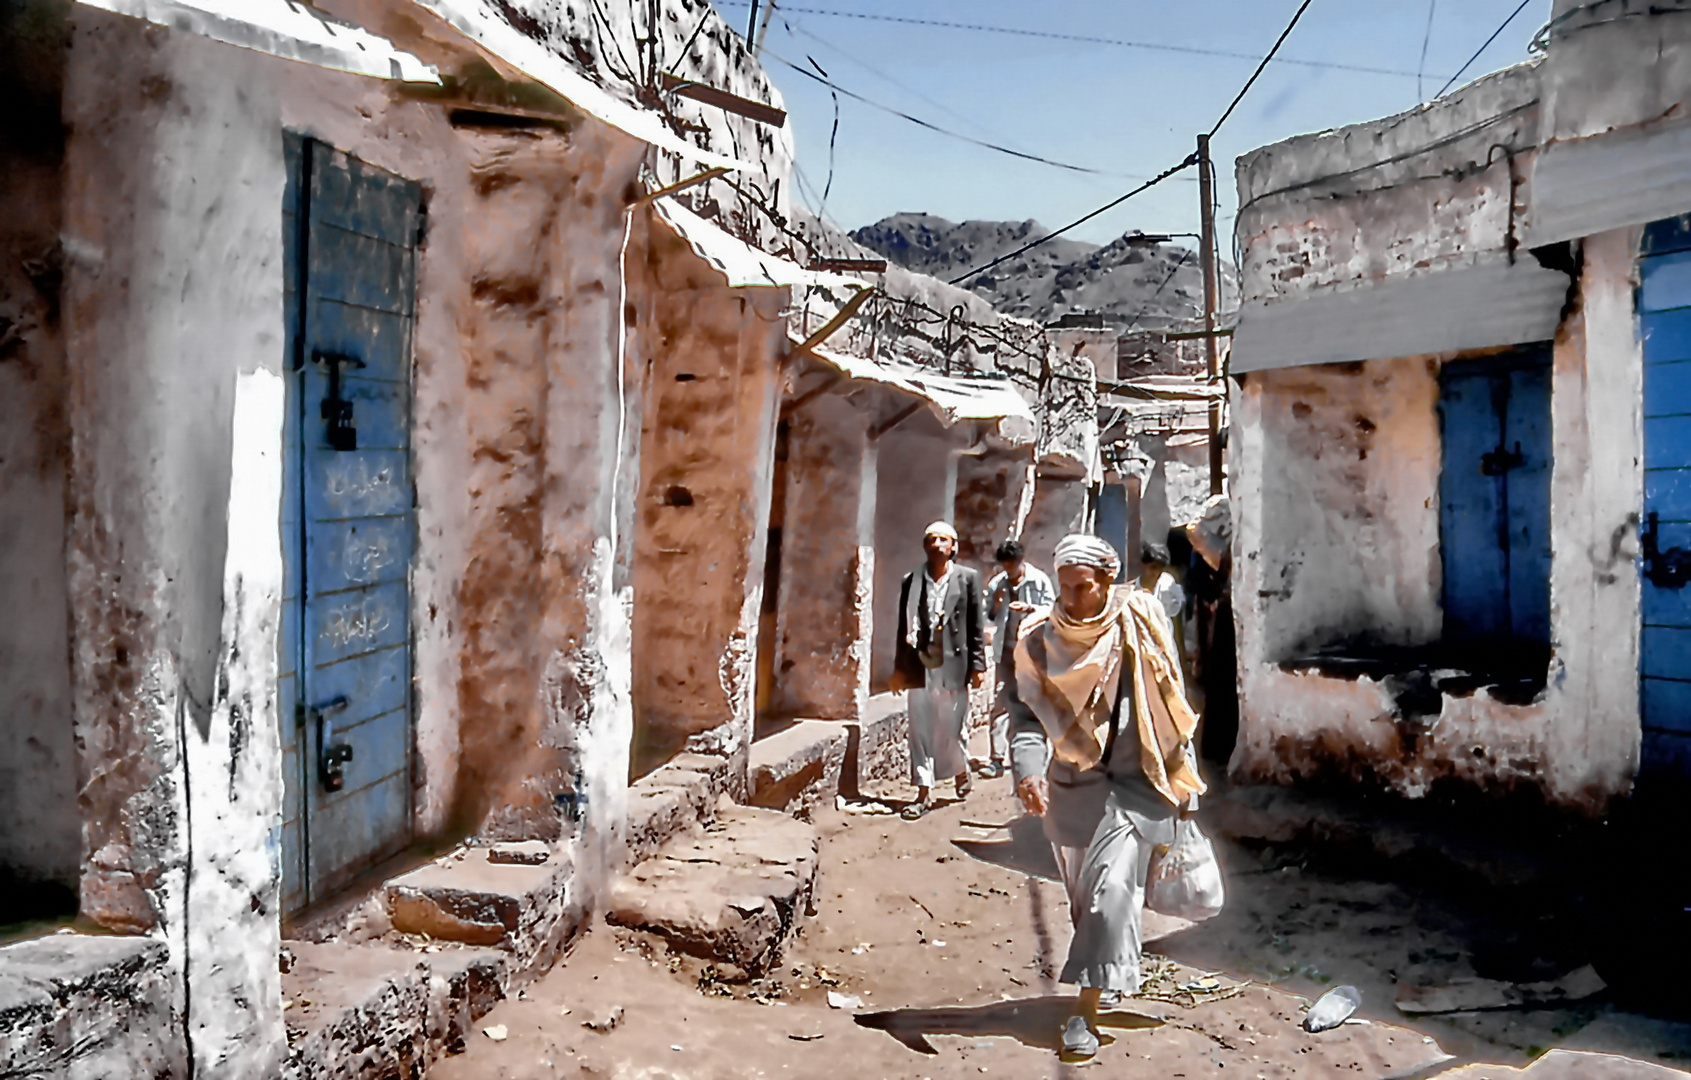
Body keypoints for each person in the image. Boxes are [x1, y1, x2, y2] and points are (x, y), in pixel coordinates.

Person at [1009, 534, 1206, 1060]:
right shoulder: (1036, 641)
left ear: (1107, 580)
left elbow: (1169, 698)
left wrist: (1180, 773)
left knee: (1110, 891)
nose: (1074, 599)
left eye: (1085, 587)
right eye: (1066, 588)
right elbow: (1026, 718)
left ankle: (1084, 1012)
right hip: (1073, 789)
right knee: (1087, 899)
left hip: (1137, 783)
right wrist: (1028, 772)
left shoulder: (1137, 621)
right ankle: (1109, 970)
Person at [891, 521, 987, 819]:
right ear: (924, 546)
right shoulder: (912, 581)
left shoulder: (968, 579)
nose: (936, 545)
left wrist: (978, 665)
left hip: (954, 665)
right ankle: (923, 792)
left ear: (953, 547)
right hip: (921, 664)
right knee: (920, 728)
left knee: (952, 727)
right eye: (931, 540)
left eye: (943, 540)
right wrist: (899, 670)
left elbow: (976, 626)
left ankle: (960, 767)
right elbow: (902, 628)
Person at [984, 539, 1055, 779]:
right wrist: (996, 603)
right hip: (1006, 651)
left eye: (1012, 564)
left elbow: (1050, 612)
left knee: (1033, 702)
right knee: (1000, 702)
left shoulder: (1039, 580)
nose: (1009, 570)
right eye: (1005, 565)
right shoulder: (998, 584)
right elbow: (989, 616)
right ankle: (996, 758)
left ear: (1020, 561)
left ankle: (1037, 757)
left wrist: (1029, 609)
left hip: (1032, 652)